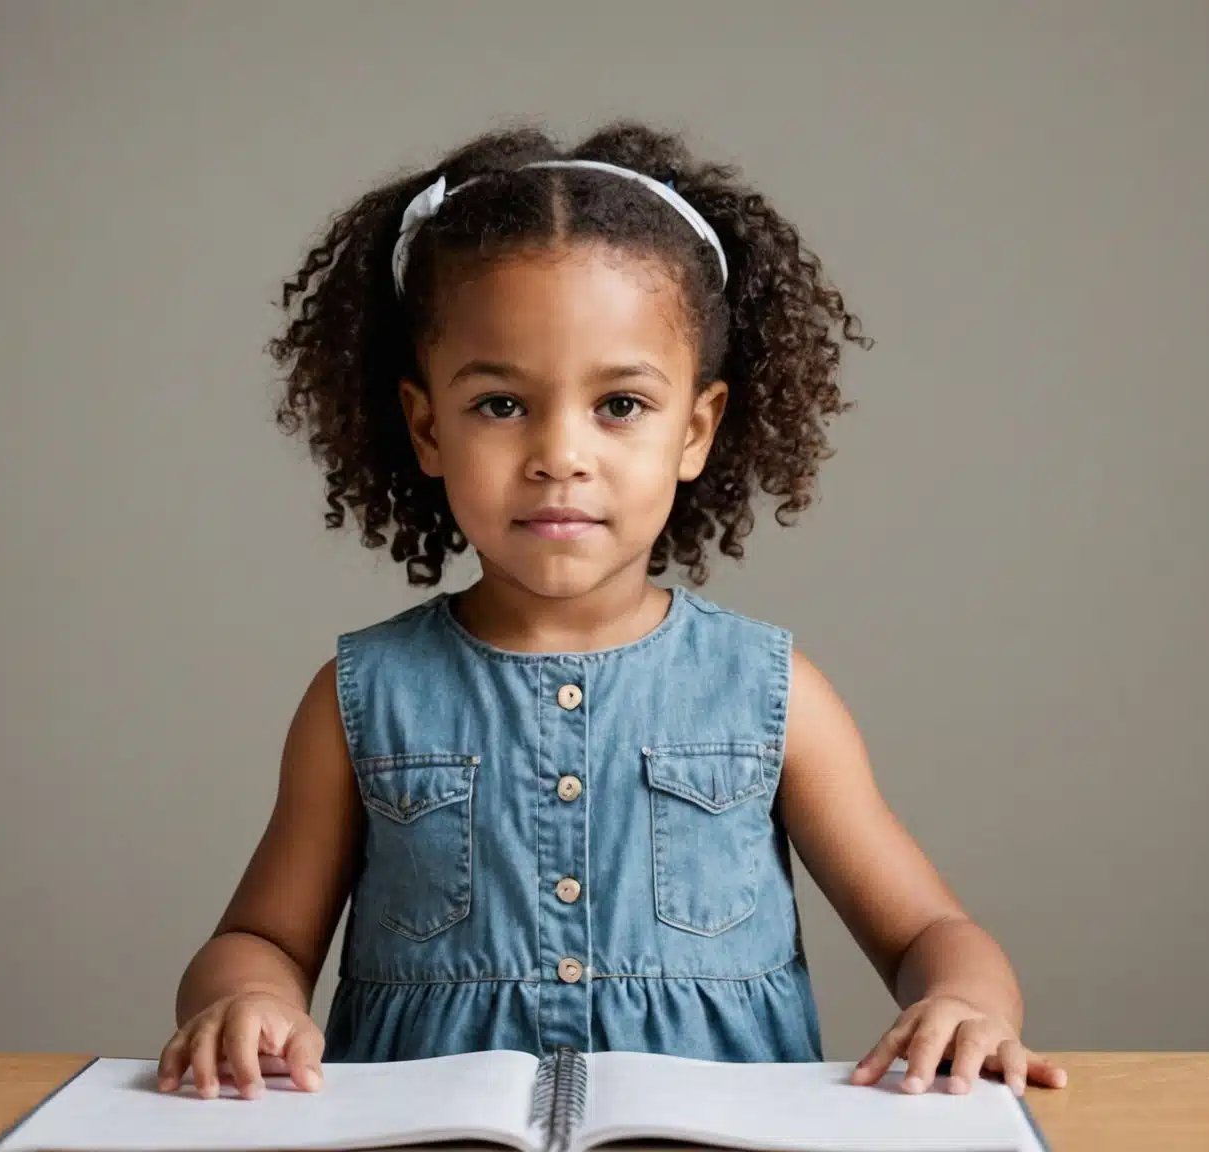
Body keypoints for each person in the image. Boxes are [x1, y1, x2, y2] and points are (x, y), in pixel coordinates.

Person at [157, 119, 1066, 1104]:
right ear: (427, 427)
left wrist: (968, 1003)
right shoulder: (360, 698)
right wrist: (248, 1000)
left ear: (697, 428)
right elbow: (258, 940)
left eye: (619, 405)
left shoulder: (772, 696)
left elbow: (930, 934)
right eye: (501, 404)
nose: (561, 453)